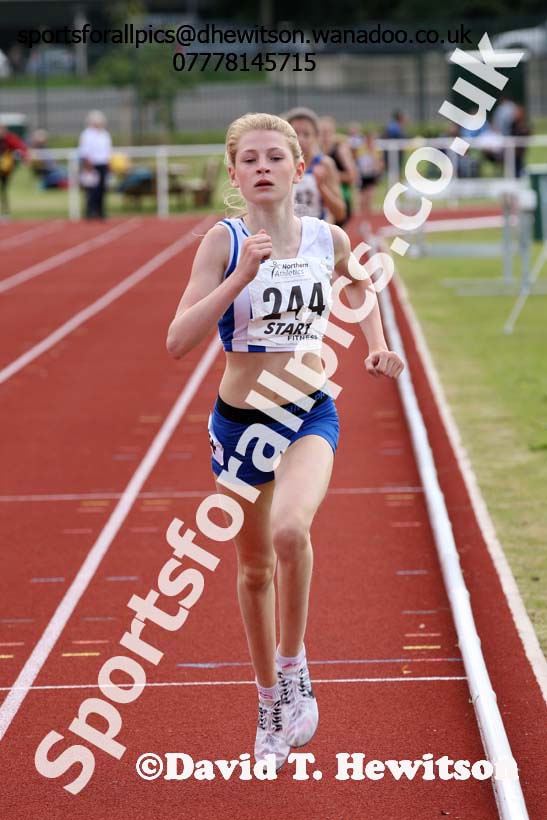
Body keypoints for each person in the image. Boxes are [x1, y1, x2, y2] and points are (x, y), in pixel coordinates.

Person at [165, 112, 404, 770]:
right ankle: (268, 700)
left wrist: (377, 344)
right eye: (250, 159)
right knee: (253, 570)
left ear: (299, 168)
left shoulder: (326, 237)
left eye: (275, 156)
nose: (263, 167)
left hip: (307, 414)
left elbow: (361, 282)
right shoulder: (222, 242)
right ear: (234, 173)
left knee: (291, 531)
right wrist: (239, 277)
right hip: (240, 428)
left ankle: (294, 667)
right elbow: (177, 342)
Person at [285, 107, 346, 224]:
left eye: (306, 134)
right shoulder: (279, 165)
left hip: (317, 231)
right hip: (288, 231)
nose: (300, 139)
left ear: (316, 137)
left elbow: (340, 213)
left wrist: (321, 186)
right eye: (294, 134)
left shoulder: (325, 164)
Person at [318, 115, 358, 227]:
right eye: (321, 133)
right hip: (324, 201)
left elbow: (352, 176)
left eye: (327, 132)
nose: (324, 136)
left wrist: (331, 175)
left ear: (333, 133)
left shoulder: (340, 150)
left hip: (341, 198)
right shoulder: (317, 152)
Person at [78, 110, 112, 219]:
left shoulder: (105, 134)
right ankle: (90, 211)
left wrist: (109, 163)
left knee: (102, 189)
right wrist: (88, 164)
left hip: (103, 163)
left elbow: (107, 150)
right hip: (92, 164)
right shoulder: (87, 134)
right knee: (91, 189)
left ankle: (100, 210)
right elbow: (85, 150)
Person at [0, 124, 29, 216]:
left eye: (2, 129)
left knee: (4, 189)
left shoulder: (10, 138)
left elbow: (21, 147)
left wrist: (24, 158)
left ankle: (5, 210)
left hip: (5, 168)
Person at [510, 104, 531, 177]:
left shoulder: (525, 123)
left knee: (519, 163)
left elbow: (528, 133)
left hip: (520, 148)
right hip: (513, 148)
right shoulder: (513, 123)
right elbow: (511, 134)